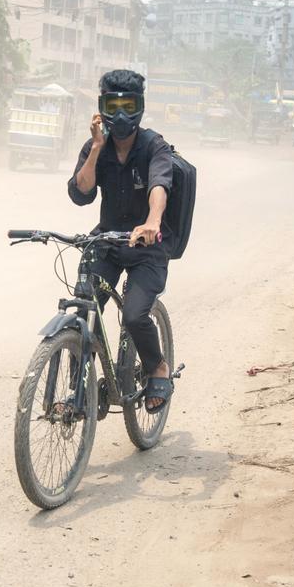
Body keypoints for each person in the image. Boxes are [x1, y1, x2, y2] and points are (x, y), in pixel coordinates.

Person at [68, 69, 175, 412]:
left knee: (133, 315)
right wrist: (97, 148)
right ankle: (78, 391)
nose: (121, 115)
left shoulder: (154, 146)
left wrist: (152, 222)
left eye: (128, 105)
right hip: (109, 244)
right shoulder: (94, 147)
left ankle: (158, 366)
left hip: (148, 249)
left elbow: (160, 186)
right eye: (113, 106)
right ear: (102, 109)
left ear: (139, 107)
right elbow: (81, 193)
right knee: (84, 305)